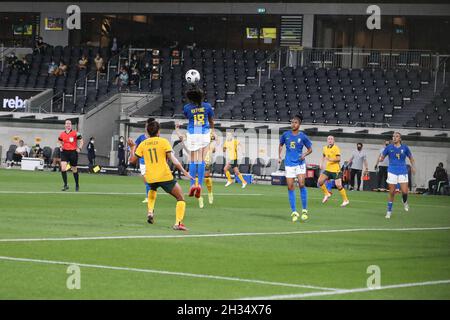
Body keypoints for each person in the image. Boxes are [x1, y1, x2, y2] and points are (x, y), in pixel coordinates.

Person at [127, 120, 193, 231]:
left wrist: (133, 147)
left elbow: (132, 161)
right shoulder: (163, 142)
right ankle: (178, 223)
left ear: (148, 132)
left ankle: (150, 212)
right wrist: (184, 171)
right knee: (180, 197)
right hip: (164, 175)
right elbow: (173, 159)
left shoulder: (143, 144)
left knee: (153, 188)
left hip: (150, 176)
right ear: (158, 131)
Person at [278, 114, 313, 222]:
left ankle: (304, 210)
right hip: (289, 164)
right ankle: (294, 211)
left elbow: (310, 149)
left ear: (299, 124)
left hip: (299, 164)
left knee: (302, 184)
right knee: (290, 187)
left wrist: (304, 155)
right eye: (292, 122)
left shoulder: (303, 136)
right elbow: (280, 144)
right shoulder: (285, 134)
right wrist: (279, 156)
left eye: (295, 122)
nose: (293, 124)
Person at [183, 86, 215, 198]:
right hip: (204, 133)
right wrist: (213, 132)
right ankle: (200, 185)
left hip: (193, 133)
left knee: (192, 160)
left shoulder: (186, 107)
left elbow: (188, 116)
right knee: (201, 160)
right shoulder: (207, 106)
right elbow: (211, 121)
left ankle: (192, 185)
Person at [379, 132, 416, 219]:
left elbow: (411, 158)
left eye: (397, 136)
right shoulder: (389, 147)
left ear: (400, 139)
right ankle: (389, 211)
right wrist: (381, 159)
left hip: (403, 170)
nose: (394, 138)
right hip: (392, 171)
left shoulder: (405, 147)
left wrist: (413, 167)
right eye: (393, 136)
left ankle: (405, 201)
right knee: (392, 192)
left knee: (405, 191)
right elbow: (382, 157)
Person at [318, 136, 350, 207]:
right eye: (328, 139)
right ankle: (327, 194)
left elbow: (339, 159)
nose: (330, 140)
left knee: (338, 185)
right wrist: (321, 163)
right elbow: (323, 156)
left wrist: (330, 159)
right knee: (320, 181)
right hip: (328, 169)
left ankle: (346, 200)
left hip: (336, 170)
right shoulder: (324, 148)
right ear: (327, 140)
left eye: (331, 139)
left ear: (334, 140)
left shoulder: (336, 148)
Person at [129, 117, 155, 203]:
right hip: (143, 162)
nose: (146, 127)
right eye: (146, 125)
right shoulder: (141, 137)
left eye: (147, 125)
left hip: (152, 162)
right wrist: (131, 147)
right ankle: (150, 195)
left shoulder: (156, 137)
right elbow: (135, 146)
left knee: (148, 180)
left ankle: (149, 197)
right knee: (147, 180)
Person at [58, 120, 83, 191]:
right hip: (64, 152)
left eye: (69, 124)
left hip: (73, 152)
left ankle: (77, 184)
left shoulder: (76, 133)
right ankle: (65, 185)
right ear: (65, 125)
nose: (68, 125)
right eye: (67, 123)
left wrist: (80, 148)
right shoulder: (62, 134)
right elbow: (59, 141)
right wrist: (60, 146)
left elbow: (81, 141)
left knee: (74, 169)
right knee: (63, 168)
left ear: (71, 125)